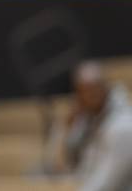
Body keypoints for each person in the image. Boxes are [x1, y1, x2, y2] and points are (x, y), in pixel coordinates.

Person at [44, 61, 132, 191]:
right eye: (82, 92)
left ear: (106, 88)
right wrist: (64, 128)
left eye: (93, 90)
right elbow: (55, 164)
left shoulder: (124, 127)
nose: (88, 96)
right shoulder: (85, 117)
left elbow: (108, 182)